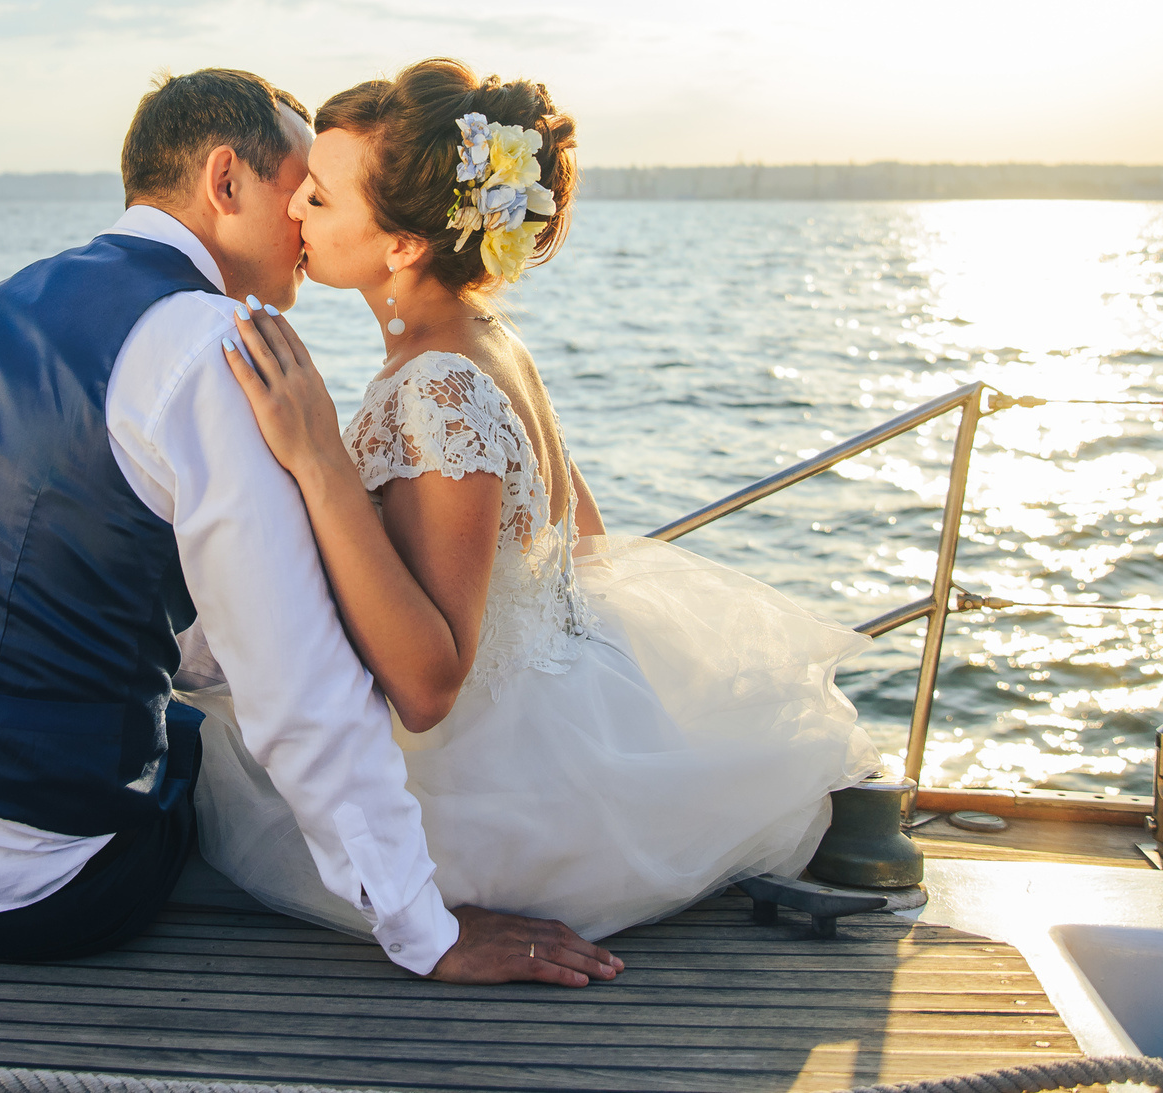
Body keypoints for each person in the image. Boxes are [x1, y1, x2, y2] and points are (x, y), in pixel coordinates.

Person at [0, 67, 619, 986]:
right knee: (203, 748)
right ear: (225, 182)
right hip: (20, 883)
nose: (304, 223)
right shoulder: (218, 347)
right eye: (301, 191)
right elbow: (299, 688)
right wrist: (424, 928)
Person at [203, 58, 880, 940]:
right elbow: (582, 544)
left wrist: (320, 459)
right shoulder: (488, 341)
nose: (291, 207)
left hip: (483, 802)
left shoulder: (437, 382)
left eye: (319, 199)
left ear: (403, 244)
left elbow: (429, 685)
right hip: (575, 730)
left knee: (218, 751)